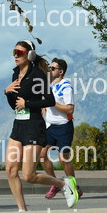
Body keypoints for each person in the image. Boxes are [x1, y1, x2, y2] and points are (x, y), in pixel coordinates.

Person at [5, 40, 78, 211]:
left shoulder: (37, 75)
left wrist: (28, 103)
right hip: (18, 125)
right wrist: (7, 92)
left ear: (29, 55)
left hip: (33, 126)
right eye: (14, 52)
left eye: (19, 52)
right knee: (10, 170)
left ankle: (63, 184)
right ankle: (22, 210)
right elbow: (14, 105)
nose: (16, 55)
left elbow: (50, 100)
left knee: (28, 175)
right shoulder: (16, 74)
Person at [40, 58, 83, 199]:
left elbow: (70, 109)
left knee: (63, 159)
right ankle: (56, 183)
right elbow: (45, 103)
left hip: (64, 127)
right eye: (50, 67)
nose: (50, 70)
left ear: (61, 71)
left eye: (53, 68)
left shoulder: (66, 86)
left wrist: (52, 103)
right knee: (42, 154)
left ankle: (74, 187)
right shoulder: (49, 85)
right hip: (50, 126)